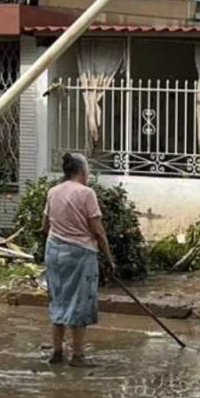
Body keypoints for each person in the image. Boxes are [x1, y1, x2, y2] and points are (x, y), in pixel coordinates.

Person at [43, 152, 114, 367]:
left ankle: (57, 352)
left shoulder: (53, 192)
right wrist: (109, 258)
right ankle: (78, 356)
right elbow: (98, 230)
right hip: (80, 254)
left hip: (54, 251)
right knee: (79, 303)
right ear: (82, 171)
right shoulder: (86, 193)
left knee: (58, 299)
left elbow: (45, 225)